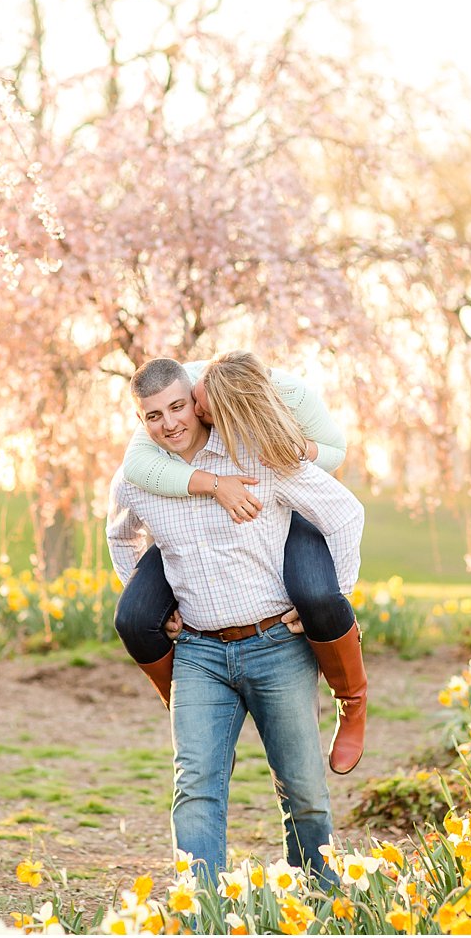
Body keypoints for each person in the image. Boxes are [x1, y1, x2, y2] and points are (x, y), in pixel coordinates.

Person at [106, 358, 366, 883]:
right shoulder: (139, 479)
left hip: (277, 646)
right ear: (141, 420)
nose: (169, 423)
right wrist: (159, 604)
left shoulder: (257, 453)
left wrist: (332, 597)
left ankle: (321, 898)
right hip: (199, 654)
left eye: (177, 407)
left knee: (305, 791)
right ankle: (201, 908)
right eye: (152, 416)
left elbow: (343, 511)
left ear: (198, 402)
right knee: (195, 786)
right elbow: (120, 536)